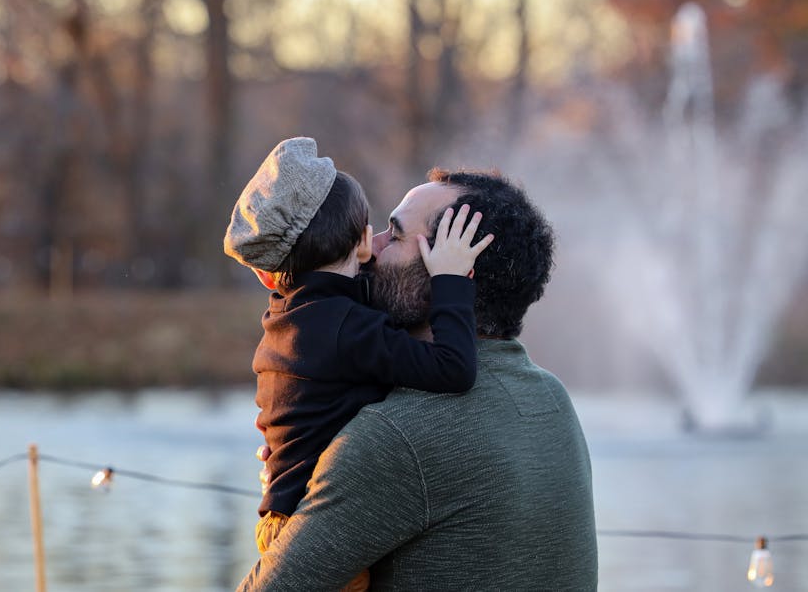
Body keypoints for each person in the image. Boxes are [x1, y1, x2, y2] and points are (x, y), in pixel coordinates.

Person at [239, 169, 598, 591]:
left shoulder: (396, 435)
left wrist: (300, 497)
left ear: (451, 273)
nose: (369, 250)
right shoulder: (551, 399)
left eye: (394, 235)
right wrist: (306, 467)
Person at [223, 138, 496, 589]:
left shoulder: (292, 314)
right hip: (315, 532)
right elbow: (453, 368)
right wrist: (449, 279)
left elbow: (349, 292)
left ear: (269, 272)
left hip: (282, 516)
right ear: (364, 240)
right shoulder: (346, 329)